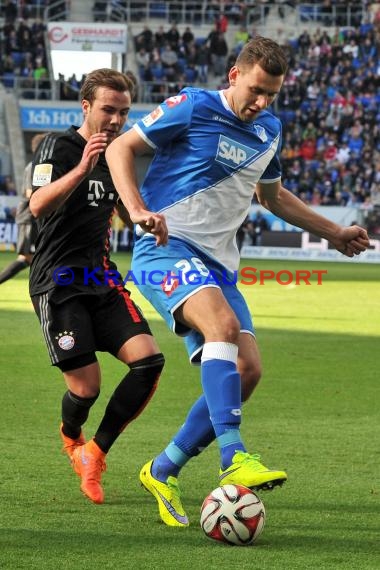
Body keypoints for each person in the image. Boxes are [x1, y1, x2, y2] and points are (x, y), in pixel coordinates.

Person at [105, 36, 370, 527]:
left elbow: (271, 197)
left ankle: (162, 469)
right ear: (234, 75)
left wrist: (333, 232)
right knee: (221, 328)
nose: (261, 102)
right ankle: (233, 457)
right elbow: (122, 146)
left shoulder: (269, 128)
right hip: (166, 248)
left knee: (248, 371)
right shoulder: (192, 106)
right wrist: (137, 209)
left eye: (272, 93)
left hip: (219, 267)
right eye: (255, 89)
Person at [28, 68, 166, 505]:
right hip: (59, 281)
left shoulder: (116, 154)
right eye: (108, 109)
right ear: (86, 106)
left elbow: (121, 207)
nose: (116, 120)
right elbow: (37, 205)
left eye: (123, 112)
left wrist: (142, 216)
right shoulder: (59, 146)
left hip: (100, 277)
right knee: (86, 388)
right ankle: (72, 437)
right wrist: (84, 165)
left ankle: (95, 453)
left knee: (148, 362)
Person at [0, 134, 46, 285]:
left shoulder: (40, 165)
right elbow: (30, 193)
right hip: (29, 218)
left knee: (34, 258)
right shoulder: (34, 166)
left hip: (33, 218)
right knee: (28, 258)